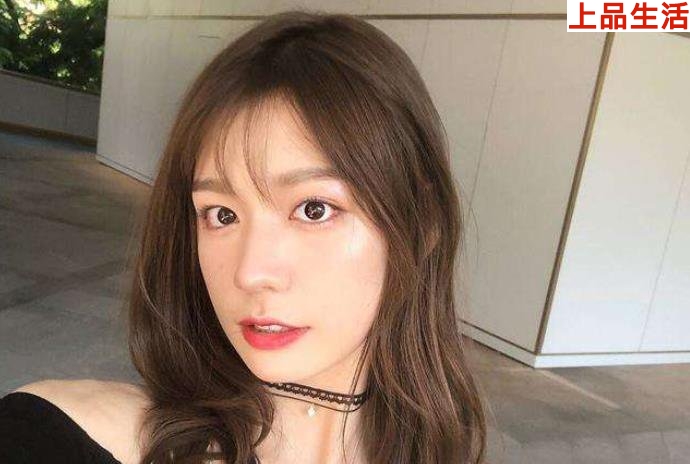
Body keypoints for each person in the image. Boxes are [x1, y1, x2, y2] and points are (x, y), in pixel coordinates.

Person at [0, 9, 487, 464]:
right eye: (222, 214)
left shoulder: (441, 451)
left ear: (422, 224)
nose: (250, 272)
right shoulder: (67, 435)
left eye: (314, 209)